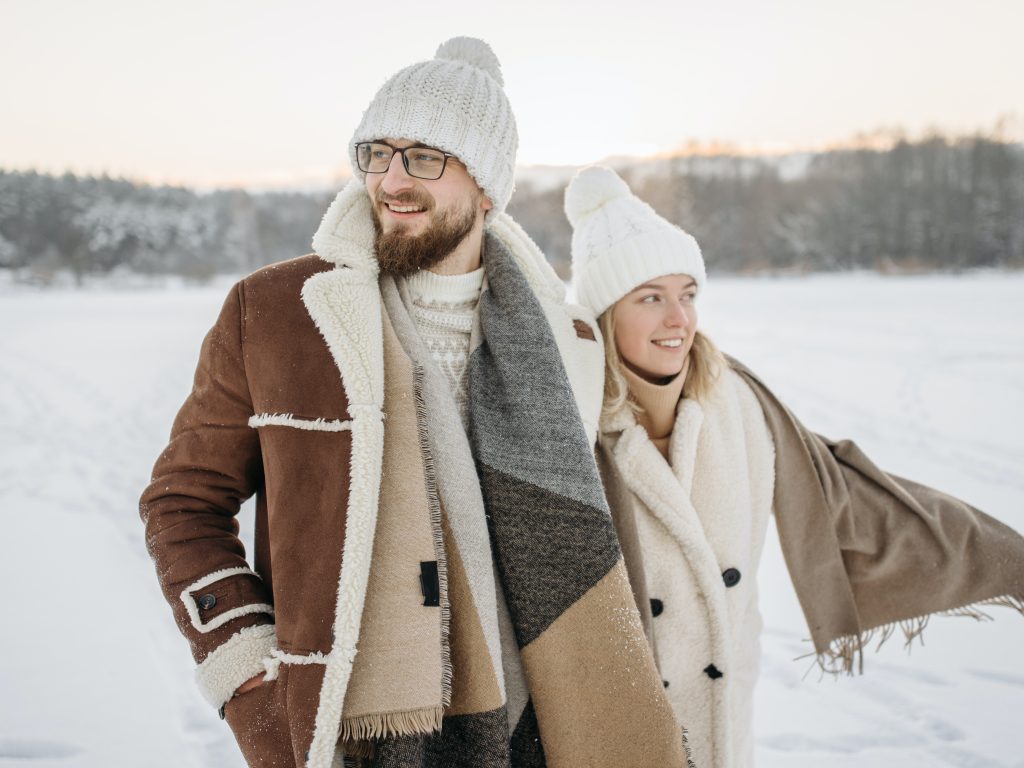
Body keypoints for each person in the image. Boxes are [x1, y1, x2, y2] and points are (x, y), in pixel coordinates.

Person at [140, 40, 691, 768]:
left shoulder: (567, 341)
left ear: (488, 186)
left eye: (426, 156)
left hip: (549, 734)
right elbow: (181, 503)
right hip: (354, 738)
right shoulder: (278, 315)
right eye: (378, 152)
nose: (392, 179)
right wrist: (250, 675)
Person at [565, 165, 1024, 768]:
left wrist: (1006, 555)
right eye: (651, 298)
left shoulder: (739, 403)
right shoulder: (569, 423)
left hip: (723, 714)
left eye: (688, 294)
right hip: (611, 722)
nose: (678, 319)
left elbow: (850, 493)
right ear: (604, 314)